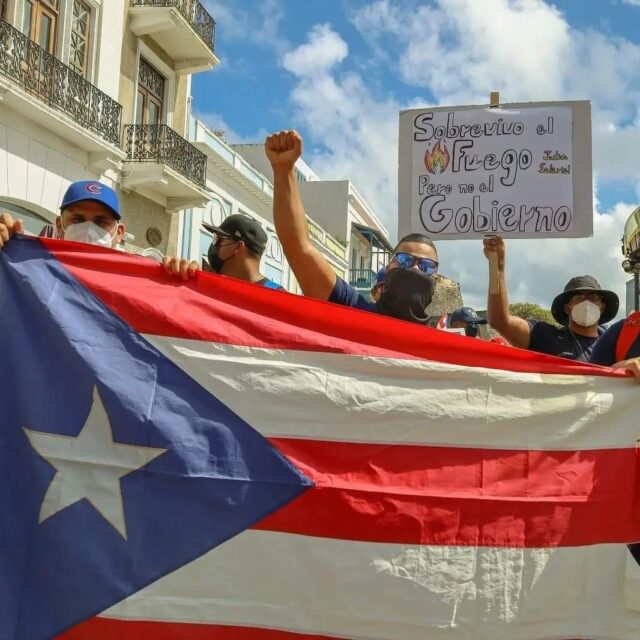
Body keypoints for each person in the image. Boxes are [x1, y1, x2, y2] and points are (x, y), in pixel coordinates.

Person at [265, 129, 438, 325]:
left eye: (426, 266)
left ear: (436, 279)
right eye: (405, 260)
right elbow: (298, 247)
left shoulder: (443, 340)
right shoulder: (352, 310)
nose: (414, 269)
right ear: (389, 266)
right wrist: (283, 170)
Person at [0, 180, 197, 280]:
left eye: (101, 221)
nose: (88, 228)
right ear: (59, 226)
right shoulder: (30, 267)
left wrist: (180, 279)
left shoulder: (133, 281)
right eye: (78, 219)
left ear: (119, 233)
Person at [483, 236, 619, 362]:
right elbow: (499, 321)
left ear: (602, 307)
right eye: (579, 297)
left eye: (593, 297)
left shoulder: (617, 344)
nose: (586, 303)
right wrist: (496, 267)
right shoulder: (546, 337)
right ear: (567, 308)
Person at [202, 214, 284, 289]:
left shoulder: (276, 295)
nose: (214, 245)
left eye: (218, 239)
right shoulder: (219, 287)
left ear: (238, 247)